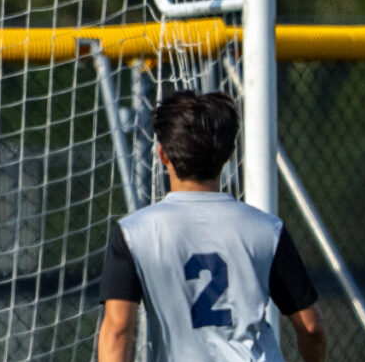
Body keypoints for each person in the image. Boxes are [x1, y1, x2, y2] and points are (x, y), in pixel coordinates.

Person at [97, 90, 327, 362]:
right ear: (228, 154)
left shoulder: (133, 233)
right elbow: (311, 329)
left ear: (162, 154)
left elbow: (117, 330)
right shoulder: (267, 229)